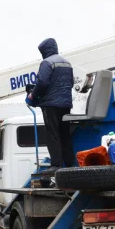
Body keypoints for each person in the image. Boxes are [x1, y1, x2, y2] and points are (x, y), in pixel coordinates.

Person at [27, 38, 76, 170]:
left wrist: (33, 94)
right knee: (65, 133)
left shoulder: (46, 63)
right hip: (66, 104)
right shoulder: (67, 63)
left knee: (52, 133)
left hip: (51, 105)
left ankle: (56, 164)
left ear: (44, 50)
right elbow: (71, 83)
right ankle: (70, 163)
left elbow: (42, 82)